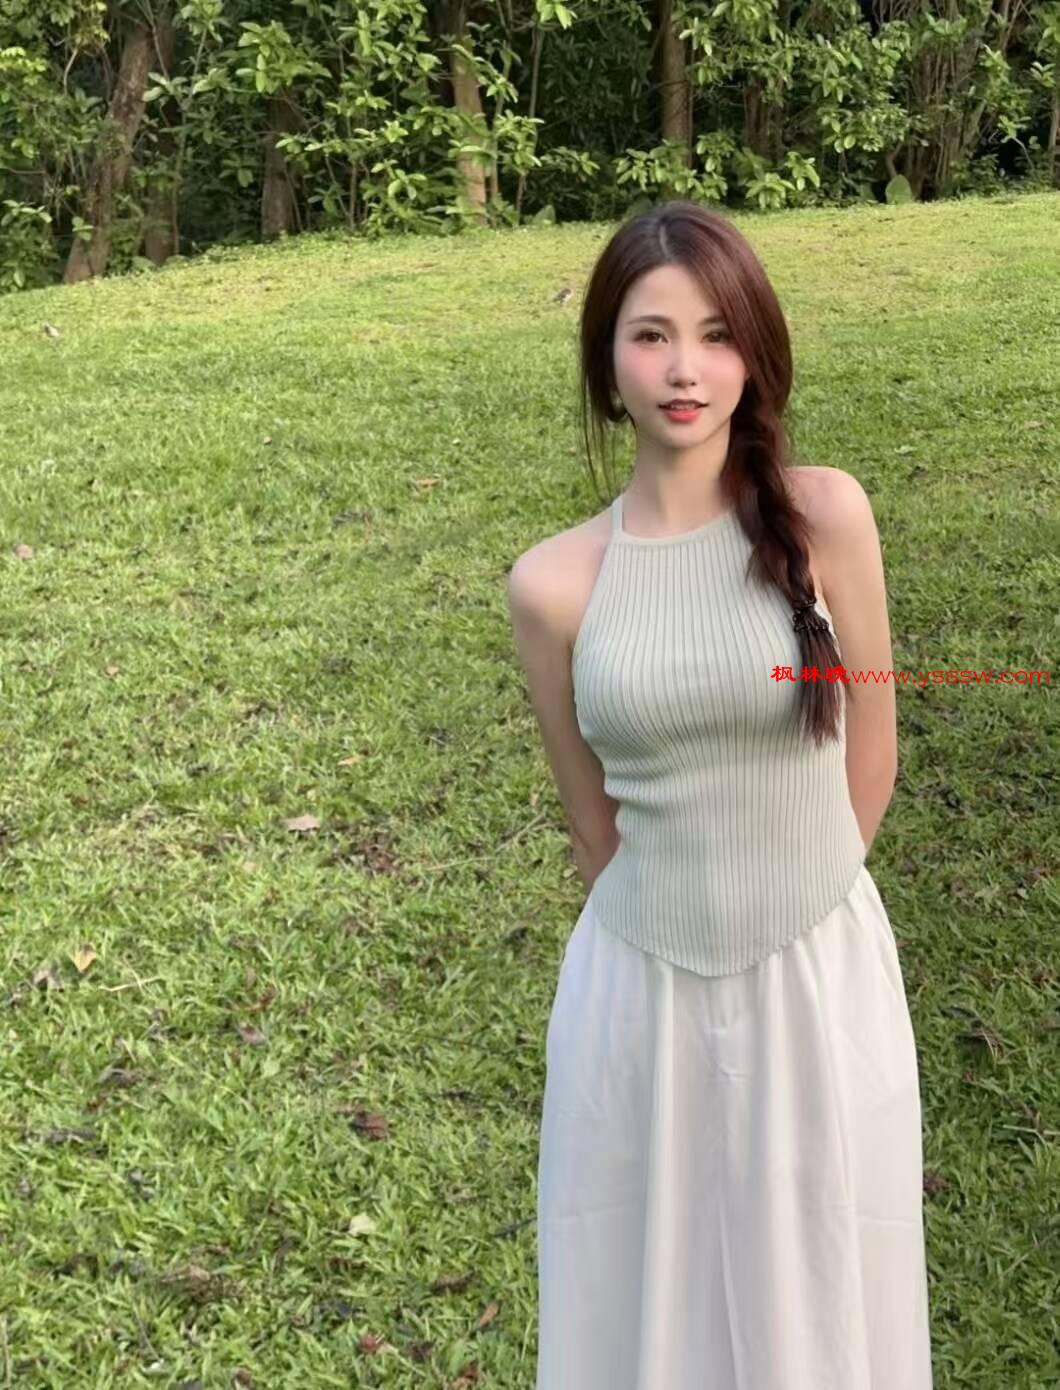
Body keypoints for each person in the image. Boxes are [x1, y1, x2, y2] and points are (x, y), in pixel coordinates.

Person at [506, 200, 934, 1389]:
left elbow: (873, 752)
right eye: (649, 335)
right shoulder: (551, 584)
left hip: (818, 976)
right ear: (606, 362)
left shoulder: (827, 514)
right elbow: (590, 822)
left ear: (754, 354)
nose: (683, 370)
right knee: (649, 1304)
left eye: (714, 334)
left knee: (824, 1291)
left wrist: (796, 921)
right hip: (636, 998)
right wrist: (676, 956)